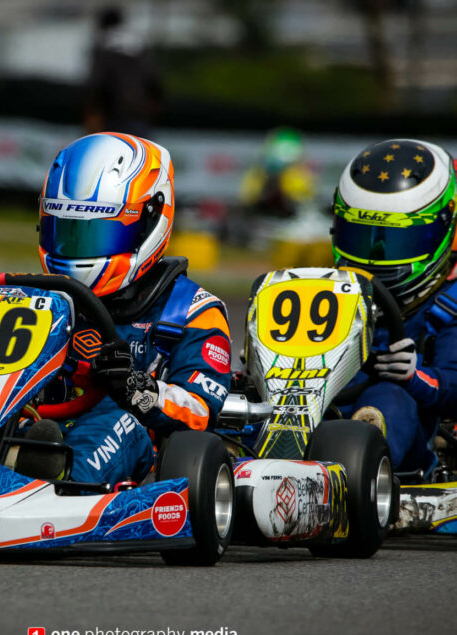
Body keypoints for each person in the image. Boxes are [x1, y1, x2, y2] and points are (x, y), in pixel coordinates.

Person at [29, 132, 232, 485]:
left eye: (98, 232)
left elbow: (200, 410)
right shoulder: (38, 300)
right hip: (39, 422)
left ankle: (56, 477)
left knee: (113, 423)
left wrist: (138, 389)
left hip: (138, 437)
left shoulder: (191, 311)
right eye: (67, 231)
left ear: (150, 220)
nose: (78, 249)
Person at [331, 138, 457, 477]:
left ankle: (359, 463)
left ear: (447, 229)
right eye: (362, 238)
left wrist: (415, 377)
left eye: (397, 242)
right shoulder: (333, 288)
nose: (374, 259)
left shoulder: (450, 304)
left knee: (388, 394)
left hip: (411, 420)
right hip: (324, 398)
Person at [83, 7, 163, 137]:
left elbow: (95, 83)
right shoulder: (138, 43)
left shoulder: (102, 44)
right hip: (139, 115)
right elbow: (153, 80)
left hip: (111, 116)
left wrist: (91, 111)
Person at [239, 126, 316, 219]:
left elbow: (307, 203)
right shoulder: (257, 175)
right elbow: (248, 200)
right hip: (263, 221)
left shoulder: (301, 175)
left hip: (292, 220)